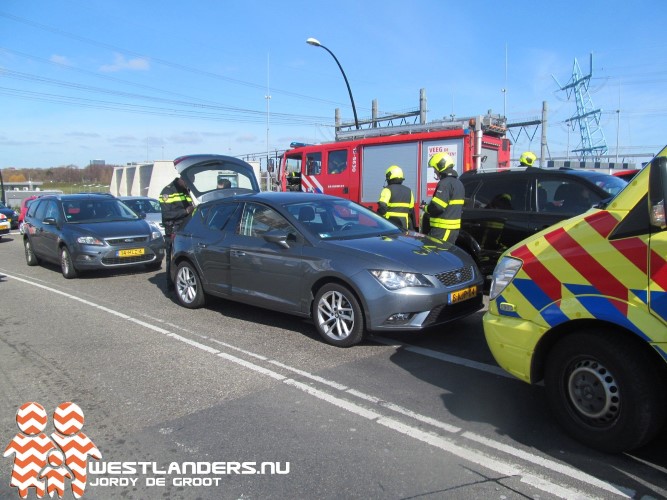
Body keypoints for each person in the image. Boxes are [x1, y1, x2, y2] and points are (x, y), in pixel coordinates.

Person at [160, 176, 194, 289]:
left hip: (186, 229)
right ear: (181, 179)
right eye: (188, 182)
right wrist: (185, 211)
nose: (189, 185)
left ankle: (181, 281)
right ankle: (170, 285)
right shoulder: (167, 191)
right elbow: (166, 215)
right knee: (172, 258)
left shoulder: (185, 190)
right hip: (173, 230)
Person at [424, 152, 465, 244]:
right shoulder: (458, 183)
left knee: (433, 253)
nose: (434, 171)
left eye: (435, 168)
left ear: (440, 166)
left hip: (442, 229)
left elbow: (437, 207)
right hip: (451, 230)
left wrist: (426, 208)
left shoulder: (445, 183)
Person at [377, 165, 415, 230]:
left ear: (389, 177)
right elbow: (410, 210)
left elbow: (382, 208)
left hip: (389, 226)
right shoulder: (409, 191)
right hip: (404, 227)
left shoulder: (387, 190)